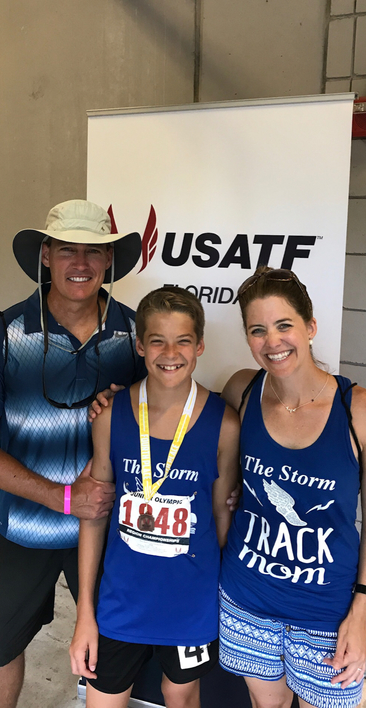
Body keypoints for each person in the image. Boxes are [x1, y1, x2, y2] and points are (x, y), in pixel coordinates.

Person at [0, 199, 146, 708]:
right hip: (25, 527)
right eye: (66, 250)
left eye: (93, 251)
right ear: (45, 255)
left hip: (110, 529)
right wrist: (62, 498)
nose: (80, 263)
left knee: (114, 650)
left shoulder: (137, 336)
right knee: (1, 648)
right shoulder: (2, 334)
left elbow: (165, 424)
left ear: (109, 260)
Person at [218, 267, 366, 708]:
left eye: (284, 325)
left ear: (310, 327)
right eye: (258, 330)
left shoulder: (362, 411)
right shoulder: (242, 390)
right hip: (246, 596)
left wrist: (361, 611)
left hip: (327, 611)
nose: (272, 342)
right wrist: (116, 399)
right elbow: (199, 434)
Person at [69, 287, 240, 708]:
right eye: (158, 341)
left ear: (200, 346)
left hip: (190, 604)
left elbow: (221, 517)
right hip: (120, 601)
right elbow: (94, 514)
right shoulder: (110, 415)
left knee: (180, 696)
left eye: (183, 340)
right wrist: (85, 613)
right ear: (141, 346)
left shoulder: (224, 424)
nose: (171, 353)